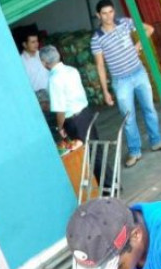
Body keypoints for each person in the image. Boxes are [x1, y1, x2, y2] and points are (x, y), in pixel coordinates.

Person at [92, 0, 161, 168]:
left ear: (114, 12)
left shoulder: (125, 23)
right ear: (98, 15)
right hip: (121, 81)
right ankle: (135, 151)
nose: (108, 16)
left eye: (111, 12)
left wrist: (138, 45)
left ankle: (156, 141)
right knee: (128, 118)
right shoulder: (97, 38)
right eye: (104, 13)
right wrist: (105, 91)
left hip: (138, 73)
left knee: (149, 109)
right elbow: (100, 65)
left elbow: (149, 29)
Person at [40, 45, 113, 194]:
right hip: (85, 113)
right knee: (96, 151)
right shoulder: (72, 70)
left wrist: (60, 127)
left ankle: (107, 189)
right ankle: (111, 185)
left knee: (88, 156)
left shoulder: (54, 79)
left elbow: (60, 110)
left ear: (44, 62)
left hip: (74, 121)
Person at [20, 31, 50, 106]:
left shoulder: (43, 54)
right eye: (33, 42)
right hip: (39, 99)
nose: (36, 44)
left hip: (52, 91)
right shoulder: (21, 62)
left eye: (37, 41)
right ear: (25, 44)